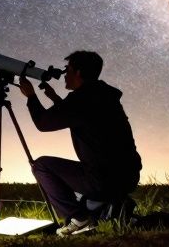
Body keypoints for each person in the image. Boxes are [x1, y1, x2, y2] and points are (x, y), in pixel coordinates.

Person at [17, 50, 141, 236]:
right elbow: (77, 115)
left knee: (41, 165)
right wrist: (54, 98)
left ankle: (79, 218)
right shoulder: (102, 95)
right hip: (128, 177)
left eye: (68, 70)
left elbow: (43, 123)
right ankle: (111, 206)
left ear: (78, 73)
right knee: (86, 186)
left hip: (102, 179)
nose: (64, 74)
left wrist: (31, 96)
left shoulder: (81, 99)